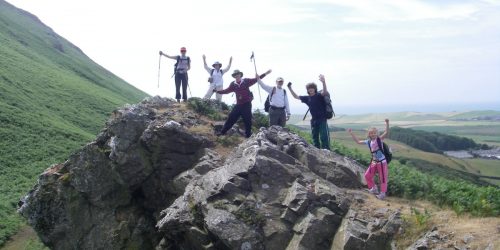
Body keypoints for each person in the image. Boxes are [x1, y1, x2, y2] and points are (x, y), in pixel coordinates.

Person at [215, 69, 272, 138]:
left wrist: (266, 73)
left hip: (247, 104)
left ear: (240, 75)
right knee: (231, 118)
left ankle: (248, 135)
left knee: (247, 120)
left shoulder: (246, 81)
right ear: (234, 76)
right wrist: (218, 91)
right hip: (238, 105)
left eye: (238, 74)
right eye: (235, 75)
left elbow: (256, 79)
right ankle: (222, 132)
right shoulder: (233, 84)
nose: (237, 76)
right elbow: (226, 91)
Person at [347, 119, 390, 200]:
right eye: (371, 133)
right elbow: (358, 142)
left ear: (377, 133)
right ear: (369, 134)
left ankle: (383, 194)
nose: (373, 134)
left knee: (383, 178)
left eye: (374, 133)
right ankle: (373, 188)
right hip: (374, 162)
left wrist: (387, 123)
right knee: (367, 175)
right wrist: (351, 133)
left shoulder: (379, 139)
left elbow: (386, 133)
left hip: (382, 162)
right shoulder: (369, 141)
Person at [288, 74, 331, 150]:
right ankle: (316, 150)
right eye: (309, 88)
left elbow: (324, 92)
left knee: (324, 136)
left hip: (322, 119)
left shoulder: (319, 95)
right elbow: (296, 97)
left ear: (315, 89)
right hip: (314, 120)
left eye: (312, 88)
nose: (310, 89)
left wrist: (323, 82)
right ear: (307, 90)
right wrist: (290, 88)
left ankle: (326, 150)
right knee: (315, 137)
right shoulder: (307, 98)